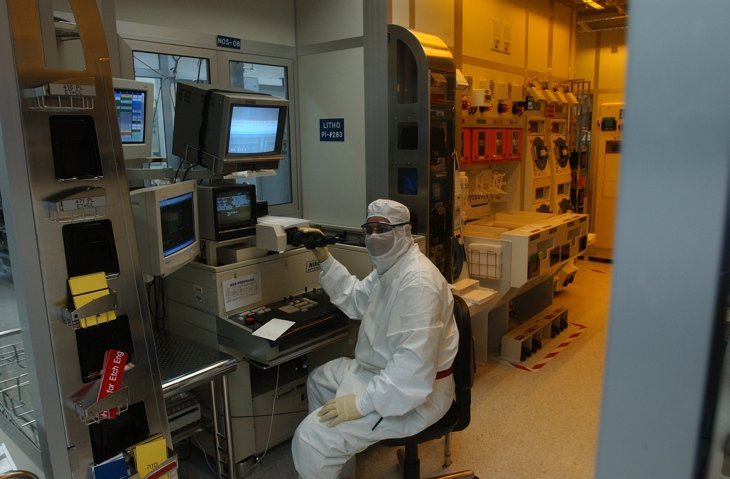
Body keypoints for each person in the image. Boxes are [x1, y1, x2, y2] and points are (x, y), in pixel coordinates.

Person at [291, 199, 459, 479]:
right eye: (369, 229)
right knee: (319, 380)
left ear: (403, 231)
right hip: (381, 372)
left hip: (415, 395)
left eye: (382, 228)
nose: (373, 236)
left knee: (311, 440)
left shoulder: (418, 283)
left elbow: (412, 373)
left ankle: (325, 450)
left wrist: (359, 405)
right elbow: (356, 300)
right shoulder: (390, 268)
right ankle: (338, 469)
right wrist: (324, 257)